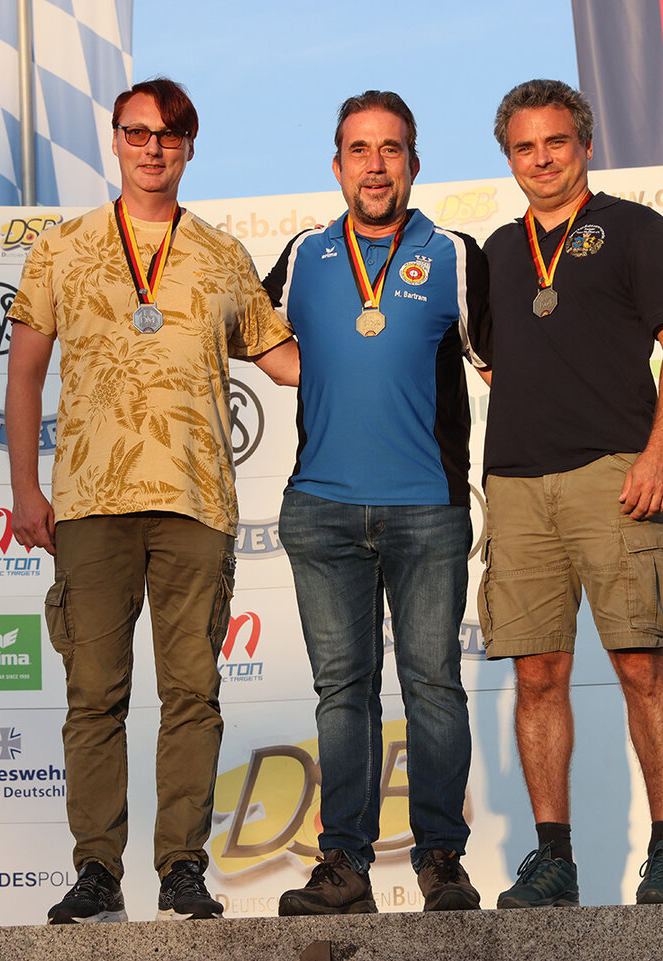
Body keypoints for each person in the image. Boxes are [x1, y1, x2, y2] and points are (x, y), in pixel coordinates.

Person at [5, 77, 299, 924]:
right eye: (137, 132)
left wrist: (376, 352)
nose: (153, 147)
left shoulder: (220, 253)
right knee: (94, 694)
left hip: (196, 501)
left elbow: (282, 360)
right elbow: (24, 374)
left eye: (169, 133)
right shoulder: (61, 248)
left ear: (190, 145)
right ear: (115, 141)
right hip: (89, 502)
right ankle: (97, 869)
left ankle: (181, 868)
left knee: (192, 693)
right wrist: (24, 486)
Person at [472, 78, 663, 908]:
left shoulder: (636, 228)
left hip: (615, 473)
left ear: (585, 145)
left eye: (556, 142)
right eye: (524, 147)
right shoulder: (496, 251)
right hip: (515, 483)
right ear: (509, 157)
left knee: (640, 662)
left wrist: (659, 452)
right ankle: (554, 858)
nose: (541, 159)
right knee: (537, 673)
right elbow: (491, 359)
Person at [261, 90, 490, 915]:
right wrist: (319, 372)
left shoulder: (454, 253)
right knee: (342, 692)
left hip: (427, 507)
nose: (375, 165)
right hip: (321, 508)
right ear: (337, 166)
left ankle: (440, 858)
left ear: (414, 163)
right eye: (359, 149)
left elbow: (498, 360)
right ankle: (345, 865)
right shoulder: (305, 253)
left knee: (433, 685)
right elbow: (258, 336)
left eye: (391, 149)